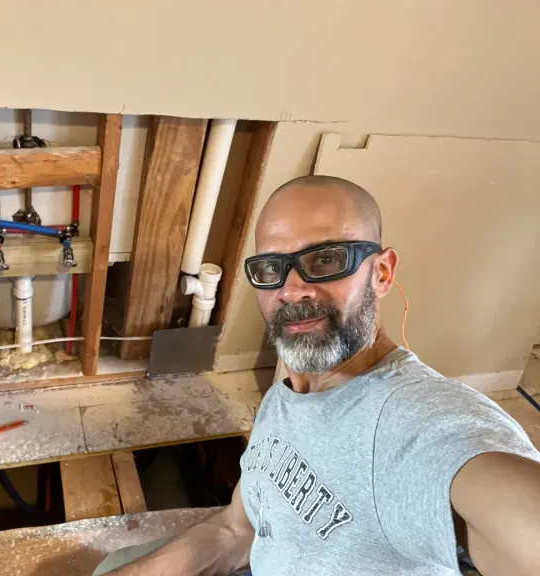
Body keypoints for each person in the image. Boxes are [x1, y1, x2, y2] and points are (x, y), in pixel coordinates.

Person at [94, 176, 540, 576]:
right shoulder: (288, 394)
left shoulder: (418, 423)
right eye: (271, 268)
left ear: (382, 273)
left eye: (326, 259)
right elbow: (238, 529)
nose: (291, 289)